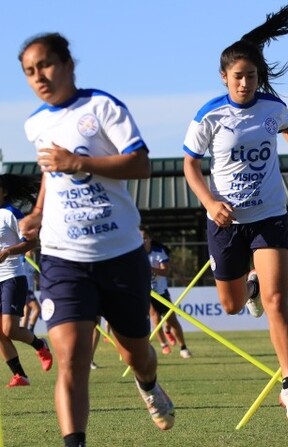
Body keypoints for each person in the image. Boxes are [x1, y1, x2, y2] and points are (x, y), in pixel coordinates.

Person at [18, 32, 174, 446]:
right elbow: (53, 174)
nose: (39, 77)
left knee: (136, 354)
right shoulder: (35, 123)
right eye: (30, 71)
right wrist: (36, 212)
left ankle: (148, 383)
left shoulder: (101, 107)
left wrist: (79, 162)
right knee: (71, 359)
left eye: (46, 65)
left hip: (119, 253)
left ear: (68, 64)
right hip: (62, 257)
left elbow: (141, 164)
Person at [182, 1, 288, 423]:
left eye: (252, 76)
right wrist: (209, 202)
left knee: (279, 301)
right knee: (232, 307)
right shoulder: (210, 114)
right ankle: (248, 288)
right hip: (225, 221)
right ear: (224, 78)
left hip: (269, 216)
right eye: (238, 77)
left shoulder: (271, 109)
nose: (245, 83)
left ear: (259, 78)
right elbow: (189, 164)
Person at [0, 174, 53, 388]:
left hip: (12, 276)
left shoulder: (11, 214)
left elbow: (31, 242)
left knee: (9, 330)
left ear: (3, 191)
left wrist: (9, 251)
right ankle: (20, 376)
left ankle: (40, 344)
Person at [140, 225, 191, 359]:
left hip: (161, 291)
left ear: (150, 239)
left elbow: (166, 271)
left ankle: (183, 347)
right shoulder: (136, 254)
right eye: (140, 239)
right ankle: (164, 345)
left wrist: (151, 269)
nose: (143, 241)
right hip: (146, 292)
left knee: (172, 319)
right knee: (154, 316)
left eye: (145, 238)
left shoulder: (159, 251)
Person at [20, 250, 41, 334]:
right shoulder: (23, 261)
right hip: (26, 289)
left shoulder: (32, 264)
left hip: (30, 289)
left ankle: (22, 332)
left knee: (27, 311)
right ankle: (31, 330)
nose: (32, 252)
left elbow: (34, 276)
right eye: (30, 251)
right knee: (37, 309)